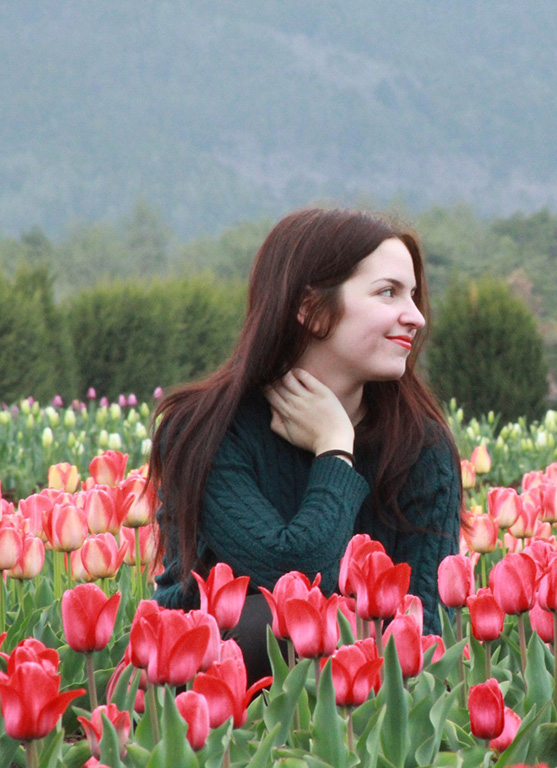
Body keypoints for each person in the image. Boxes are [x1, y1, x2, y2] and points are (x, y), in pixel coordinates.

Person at [149, 207, 462, 682]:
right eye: (388, 292)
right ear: (311, 309)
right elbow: (292, 581)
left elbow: (426, 626)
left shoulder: (421, 446)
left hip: (373, 700)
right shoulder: (207, 431)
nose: (416, 317)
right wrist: (335, 450)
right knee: (269, 621)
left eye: (414, 296)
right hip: (210, 698)